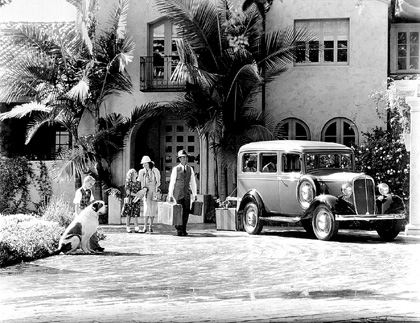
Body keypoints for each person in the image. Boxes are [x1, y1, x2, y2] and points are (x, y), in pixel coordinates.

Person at [167, 149, 197, 236]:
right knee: (178, 211)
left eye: (185, 157)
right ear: (179, 159)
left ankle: (184, 228)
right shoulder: (176, 169)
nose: (184, 159)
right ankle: (179, 229)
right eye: (182, 158)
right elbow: (172, 182)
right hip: (178, 193)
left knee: (186, 211)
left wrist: (194, 194)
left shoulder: (190, 169)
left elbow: (193, 182)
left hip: (186, 193)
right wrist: (170, 194)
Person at [73, 175, 104, 252]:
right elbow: (77, 204)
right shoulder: (79, 192)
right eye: (90, 184)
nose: (91, 186)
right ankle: (79, 246)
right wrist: (77, 215)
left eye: (92, 185)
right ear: (86, 182)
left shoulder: (90, 191)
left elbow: (91, 202)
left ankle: (95, 245)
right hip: (81, 212)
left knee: (92, 228)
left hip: (88, 213)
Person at [138, 156, 161, 233]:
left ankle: (150, 226)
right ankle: (145, 226)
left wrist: (157, 190)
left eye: (145, 163)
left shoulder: (155, 171)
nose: (144, 165)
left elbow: (158, 181)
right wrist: (142, 190)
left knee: (153, 208)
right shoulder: (142, 172)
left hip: (154, 191)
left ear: (149, 163)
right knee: (147, 208)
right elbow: (139, 182)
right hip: (146, 191)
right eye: (143, 164)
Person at [123, 168, 146, 233]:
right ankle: (128, 227)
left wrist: (140, 195)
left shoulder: (139, 183)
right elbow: (127, 192)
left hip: (137, 200)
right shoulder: (128, 183)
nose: (137, 173)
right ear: (132, 175)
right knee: (129, 214)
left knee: (135, 214)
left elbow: (140, 191)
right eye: (135, 172)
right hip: (130, 200)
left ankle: (136, 228)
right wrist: (136, 195)